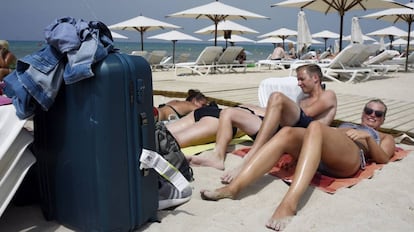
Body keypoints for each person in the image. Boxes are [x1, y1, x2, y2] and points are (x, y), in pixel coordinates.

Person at [200, 99, 395, 231]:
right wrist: (296, 157)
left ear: (383, 119)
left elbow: (384, 159)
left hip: (350, 157)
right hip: (321, 152)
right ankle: (234, 188)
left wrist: (368, 138)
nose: (372, 115)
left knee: (316, 126)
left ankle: (289, 203)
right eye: (368, 110)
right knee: (287, 132)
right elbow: (318, 137)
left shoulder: (384, 136)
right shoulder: (346, 125)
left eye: (378, 114)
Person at [189, 64, 337, 177]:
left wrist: (277, 108)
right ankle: (217, 156)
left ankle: (252, 155)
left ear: (315, 78)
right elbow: (289, 117)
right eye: (298, 79)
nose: (298, 83)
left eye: (302, 79)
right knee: (228, 112)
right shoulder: (302, 98)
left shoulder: (328, 95)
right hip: (282, 131)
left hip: (305, 136)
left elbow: (307, 114)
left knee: (276, 97)